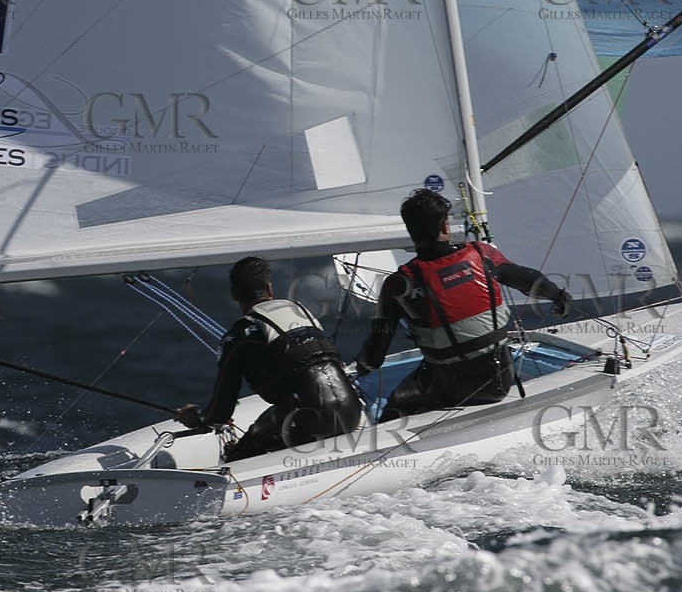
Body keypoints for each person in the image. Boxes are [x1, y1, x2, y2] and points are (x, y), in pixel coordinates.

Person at [355, 188, 573, 418]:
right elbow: (528, 278)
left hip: (447, 388)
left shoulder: (399, 283)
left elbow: (376, 349)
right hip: (499, 382)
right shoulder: (481, 254)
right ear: (445, 227)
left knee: (396, 404)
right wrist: (559, 296)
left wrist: (362, 366)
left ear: (411, 232)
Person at [174, 256, 363, 462]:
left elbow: (220, 413)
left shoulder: (238, 335)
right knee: (278, 415)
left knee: (239, 456)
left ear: (234, 294)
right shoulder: (302, 312)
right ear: (270, 288)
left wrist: (197, 417)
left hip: (310, 422)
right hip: (351, 411)